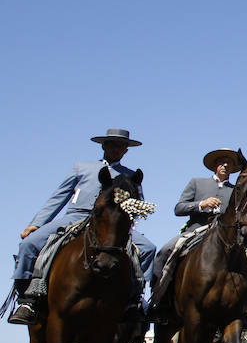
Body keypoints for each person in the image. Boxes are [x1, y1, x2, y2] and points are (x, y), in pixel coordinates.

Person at [9, 128, 156, 326]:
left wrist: (128, 212)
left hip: (111, 224)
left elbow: (139, 207)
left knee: (148, 248)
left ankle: (135, 300)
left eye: (120, 145)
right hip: (76, 216)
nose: (116, 148)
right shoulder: (82, 167)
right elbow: (59, 196)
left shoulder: (130, 176)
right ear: (104, 146)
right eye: (112, 144)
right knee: (29, 244)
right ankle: (27, 301)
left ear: (126, 151)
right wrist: (36, 223)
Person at [148, 148, 247, 319]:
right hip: (196, 230)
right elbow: (179, 208)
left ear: (233, 168)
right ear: (215, 165)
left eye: (229, 162)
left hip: (225, 236)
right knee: (165, 251)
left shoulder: (236, 191)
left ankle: (243, 306)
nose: (225, 164)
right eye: (222, 161)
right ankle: (159, 302)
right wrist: (201, 204)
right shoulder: (197, 183)